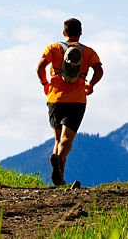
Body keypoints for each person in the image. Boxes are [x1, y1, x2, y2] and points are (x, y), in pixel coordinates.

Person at [36, 18, 103, 186]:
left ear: (64, 32)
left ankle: (59, 177)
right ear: (80, 33)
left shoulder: (53, 48)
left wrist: (45, 84)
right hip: (77, 100)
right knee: (67, 140)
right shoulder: (88, 52)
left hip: (55, 99)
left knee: (58, 140)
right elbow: (99, 70)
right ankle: (58, 161)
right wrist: (91, 84)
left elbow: (40, 67)